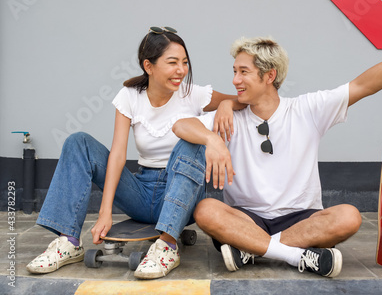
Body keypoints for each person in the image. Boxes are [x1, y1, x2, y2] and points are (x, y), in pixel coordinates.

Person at [172, 36, 382, 278]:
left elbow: (364, 85)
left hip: (302, 219)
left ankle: (251, 249)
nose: (235, 80)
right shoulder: (229, 117)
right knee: (206, 210)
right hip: (246, 218)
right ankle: (297, 255)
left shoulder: (306, 109)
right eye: (234, 72)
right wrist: (212, 139)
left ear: (269, 76)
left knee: (349, 217)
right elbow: (180, 125)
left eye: (244, 72)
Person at [26, 26, 243, 280]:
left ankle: (168, 246)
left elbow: (242, 100)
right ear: (148, 66)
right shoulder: (129, 97)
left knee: (190, 141)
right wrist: (105, 211)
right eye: (172, 63)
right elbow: (118, 154)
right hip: (141, 192)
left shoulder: (191, 94)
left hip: (182, 192)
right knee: (78, 142)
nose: (181, 70)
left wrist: (226, 104)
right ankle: (68, 241)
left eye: (184, 62)